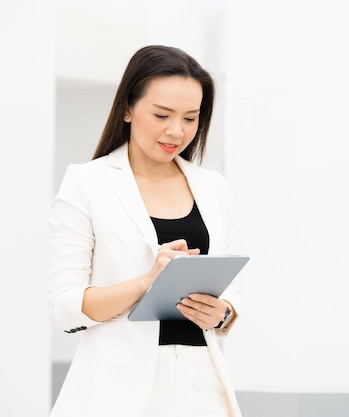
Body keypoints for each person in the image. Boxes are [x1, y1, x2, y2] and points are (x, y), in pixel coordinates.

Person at [48, 45, 243, 417]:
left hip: (202, 386)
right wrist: (148, 282)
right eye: (161, 114)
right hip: (114, 389)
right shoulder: (86, 183)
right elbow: (64, 307)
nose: (177, 130)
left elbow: (231, 296)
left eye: (191, 118)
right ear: (127, 108)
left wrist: (222, 314)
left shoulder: (214, 189)